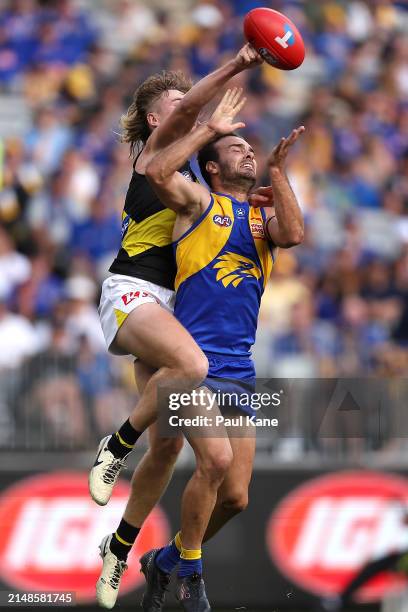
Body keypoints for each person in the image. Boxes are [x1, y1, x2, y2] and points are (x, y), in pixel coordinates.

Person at [89, 46, 267, 609]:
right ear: (153, 117)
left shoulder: (194, 165)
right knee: (191, 366)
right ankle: (114, 445)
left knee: (167, 447)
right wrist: (239, 64)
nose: (189, 107)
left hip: (167, 311)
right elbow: (192, 111)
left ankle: (120, 547)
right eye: (176, 102)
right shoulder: (157, 150)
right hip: (133, 291)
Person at [137, 88, 304, 610]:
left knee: (236, 497)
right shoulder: (199, 202)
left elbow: (294, 233)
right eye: (235, 150)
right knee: (215, 462)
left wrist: (277, 172)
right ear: (211, 168)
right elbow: (159, 173)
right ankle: (191, 576)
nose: (247, 152)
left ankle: (167, 559)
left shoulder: (261, 218)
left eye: (249, 149)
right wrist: (210, 128)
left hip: (240, 368)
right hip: (194, 364)